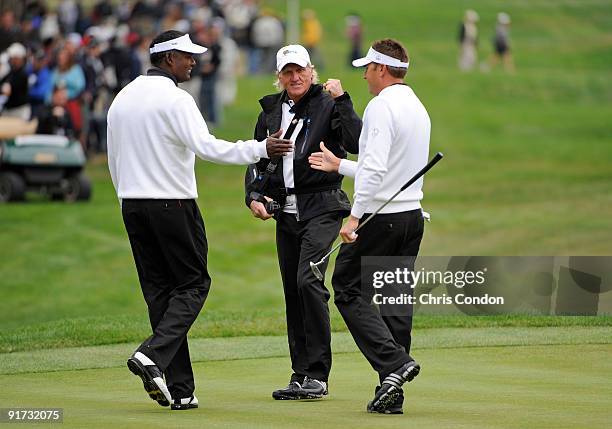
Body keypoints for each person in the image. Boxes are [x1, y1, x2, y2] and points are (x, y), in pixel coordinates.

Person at [106, 30, 292, 411]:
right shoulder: (177, 99)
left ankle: (180, 388)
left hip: (132, 204)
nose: (193, 62)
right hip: (173, 205)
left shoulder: (122, 98)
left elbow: (114, 158)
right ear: (168, 58)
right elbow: (207, 147)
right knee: (193, 285)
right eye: (187, 56)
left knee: (160, 292)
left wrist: (126, 195)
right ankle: (151, 355)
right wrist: (260, 148)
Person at [308, 38, 431, 414]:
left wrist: (355, 217)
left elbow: (376, 171)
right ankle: (392, 388)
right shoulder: (416, 106)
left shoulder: (381, 106)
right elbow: (388, 170)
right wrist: (340, 165)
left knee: (346, 288)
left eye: (368, 69)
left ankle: (393, 364)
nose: (364, 76)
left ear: (381, 68)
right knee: (394, 300)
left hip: (381, 217)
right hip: (411, 217)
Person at [244, 44, 361, 400]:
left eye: (301, 71)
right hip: (286, 213)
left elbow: (356, 142)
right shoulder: (270, 113)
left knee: (308, 281)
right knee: (293, 291)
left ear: (312, 71)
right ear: (278, 77)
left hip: (323, 207)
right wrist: (253, 195)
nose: (295, 78)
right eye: (287, 72)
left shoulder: (328, 103)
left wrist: (343, 99)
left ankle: (318, 375)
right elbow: (258, 161)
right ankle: (301, 374)